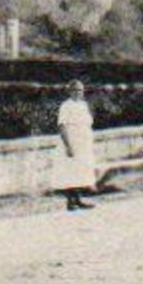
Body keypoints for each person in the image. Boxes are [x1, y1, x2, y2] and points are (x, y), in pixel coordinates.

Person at [54, 80, 98, 210]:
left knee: (79, 170)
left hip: (82, 142)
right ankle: (70, 201)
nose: (78, 93)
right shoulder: (65, 106)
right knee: (70, 170)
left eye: (81, 90)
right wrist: (68, 146)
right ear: (70, 91)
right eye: (76, 90)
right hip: (71, 140)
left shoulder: (83, 105)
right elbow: (61, 126)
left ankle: (78, 199)